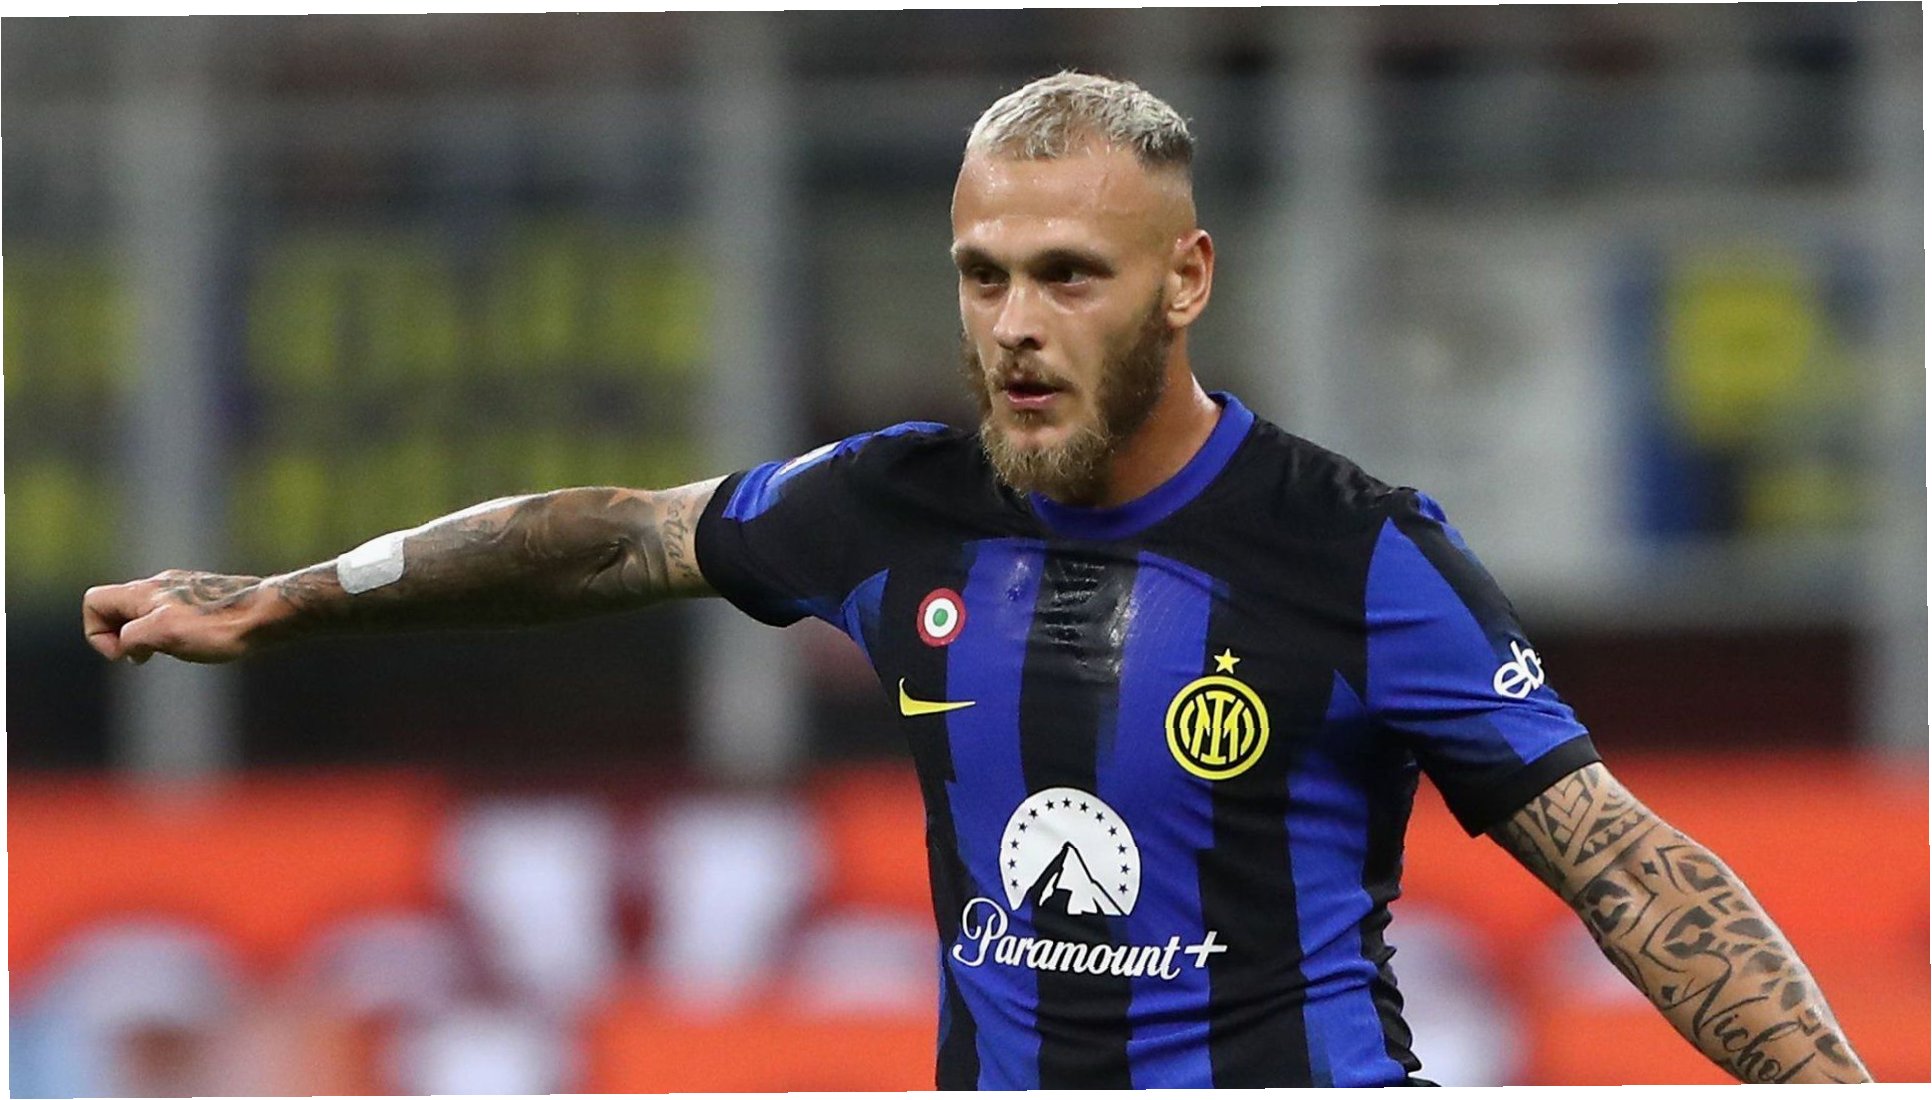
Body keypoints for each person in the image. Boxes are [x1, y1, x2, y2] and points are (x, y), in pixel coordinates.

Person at [82, 72, 1871, 1088]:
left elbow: (1623, 861)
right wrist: (293, 595)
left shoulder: (1353, 549)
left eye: (1069, 275)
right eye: (983, 273)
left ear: (1185, 281)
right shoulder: (893, 507)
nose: (1015, 323)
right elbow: (618, 531)